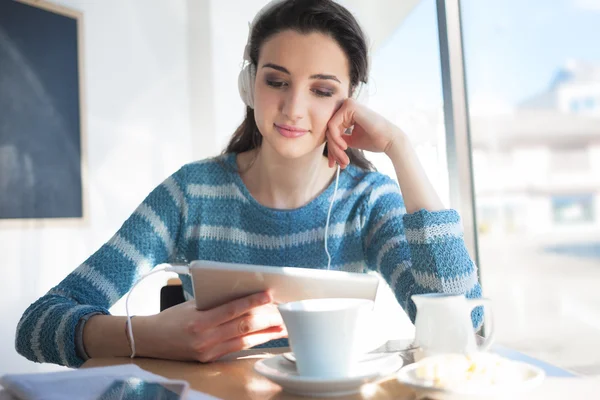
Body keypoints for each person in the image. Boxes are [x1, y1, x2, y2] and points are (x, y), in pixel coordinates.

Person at [15, 0, 482, 368]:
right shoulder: (191, 194)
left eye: (322, 90)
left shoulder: (367, 201)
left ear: (349, 103)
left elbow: (466, 331)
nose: (294, 109)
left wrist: (400, 147)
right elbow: (36, 326)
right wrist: (145, 335)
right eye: (276, 81)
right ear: (248, 84)